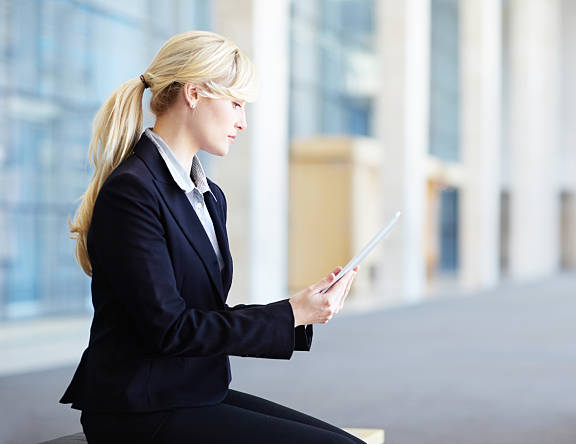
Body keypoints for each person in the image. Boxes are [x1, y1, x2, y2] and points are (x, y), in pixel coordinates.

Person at [60, 30, 363, 443]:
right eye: (236, 104)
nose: (243, 121)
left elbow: (200, 311)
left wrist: (300, 309)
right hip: (139, 409)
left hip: (190, 390)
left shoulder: (208, 195)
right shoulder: (132, 191)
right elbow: (170, 329)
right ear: (195, 93)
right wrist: (290, 313)